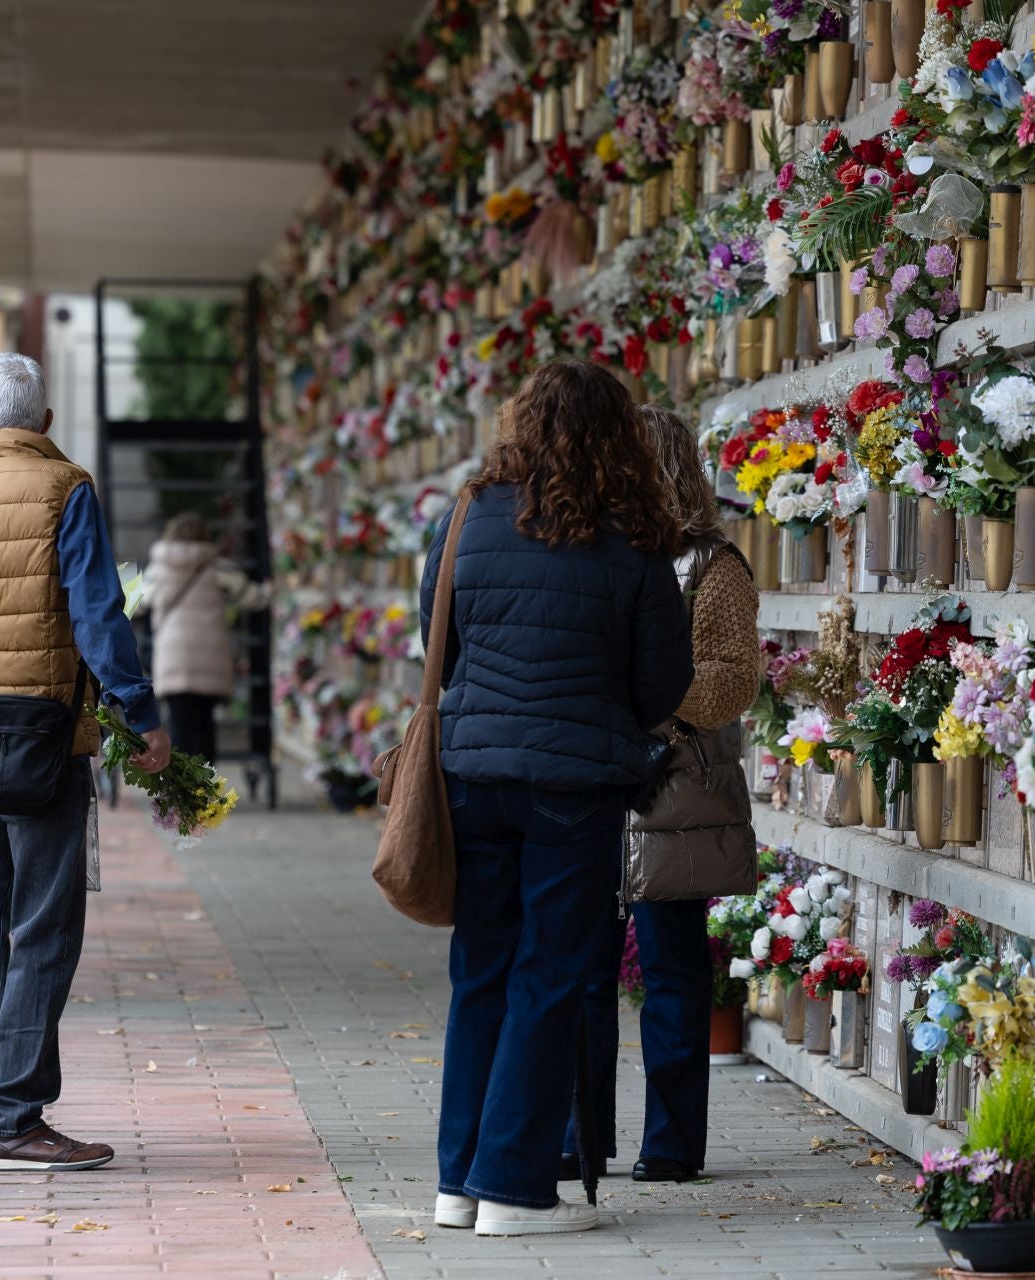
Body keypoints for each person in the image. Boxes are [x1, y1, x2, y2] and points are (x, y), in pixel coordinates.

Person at [421, 360, 693, 1237]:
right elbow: (662, 684)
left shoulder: (466, 515)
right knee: (550, 976)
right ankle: (513, 1188)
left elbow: (440, 634)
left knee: (482, 971)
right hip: (576, 787)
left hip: (474, 776)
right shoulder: (636, 537)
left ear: (522, 424)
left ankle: (457, 1183)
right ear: (618, 439)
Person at [0, 352, 169, 1173]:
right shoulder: (67, 490)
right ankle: (13, 1120)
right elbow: (98, 615)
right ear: (44, 425)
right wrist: (141, 714)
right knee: (45, 929)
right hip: (48, 749)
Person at [564, 405, 762, 1185]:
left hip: (672, 793)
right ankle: (580, 1138)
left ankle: (673, 1146)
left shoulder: (713, 566)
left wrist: (644, 701)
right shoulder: (590, 553)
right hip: (593, 783)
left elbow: (730, 678)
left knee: (672, 970)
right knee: (581, 969)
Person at [130, 511, 272, 762]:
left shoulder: (158, 570)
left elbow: (135, 605)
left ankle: (183, 793)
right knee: (205, 727)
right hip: (210, 660)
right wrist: (268, 590)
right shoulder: (217, 567)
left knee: (179, 727)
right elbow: (253, 598)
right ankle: (207, 791)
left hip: (173, 660)